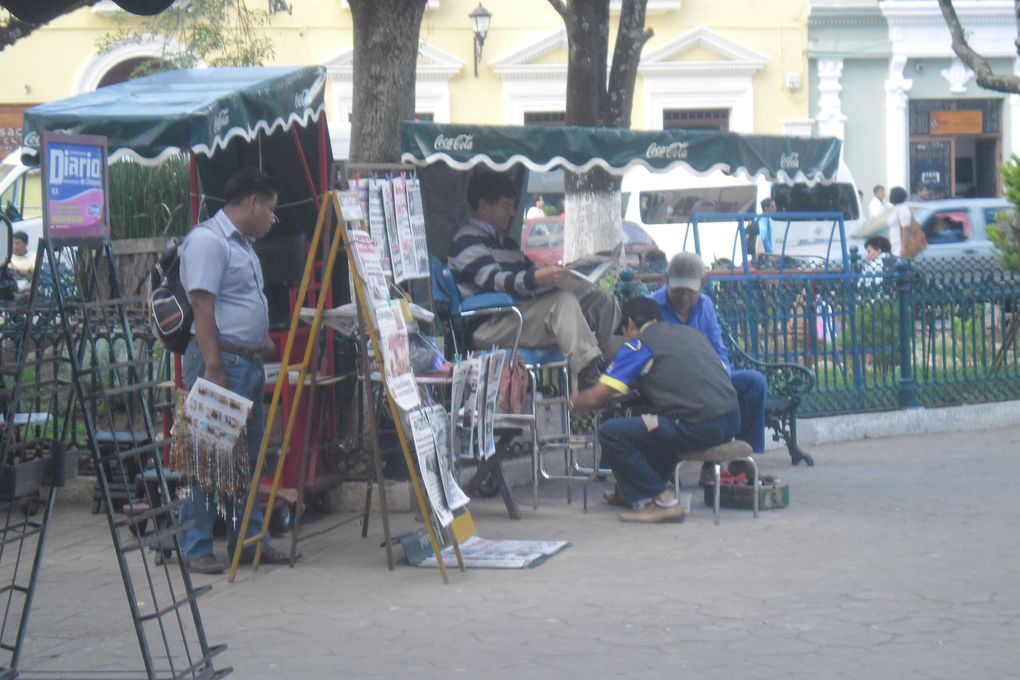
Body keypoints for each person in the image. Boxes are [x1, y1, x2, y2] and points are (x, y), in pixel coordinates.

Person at [178, 168, 291, 574]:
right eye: (272, 210)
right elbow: (202, 307)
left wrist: (257, 340)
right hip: (220, 363)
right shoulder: (209, 241)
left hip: (246, 362)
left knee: (248, 459)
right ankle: (196, 547)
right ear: (253, 202)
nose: (273, 220)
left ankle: (248, 541)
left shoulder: (243, 245)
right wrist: (213, 366)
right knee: (208, 458)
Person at [570, 297, 740, 523]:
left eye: (623, 333)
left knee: (612, 432)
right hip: (731, 420)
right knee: (654, 427)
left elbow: (594, 398)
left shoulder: (639, 345)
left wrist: (572, 403)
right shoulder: (689, 334)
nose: (624, 339)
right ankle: (629, 493)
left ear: (630, 324)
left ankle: (664, 502)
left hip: (698, 425)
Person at [447, 172, 619, 388]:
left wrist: (562, 274)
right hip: (493, 324)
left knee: (601, 301)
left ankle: (619, 372)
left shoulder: (507, 244)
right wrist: (538, 278)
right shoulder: (466, 240)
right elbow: (497, 281)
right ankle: (590, 378)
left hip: (522, 315)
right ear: (483, 205)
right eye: (506, 205)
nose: (511, 212)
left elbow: (527, 273)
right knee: (562, 302)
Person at [650, 253, 767, 483]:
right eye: (678, 291)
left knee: (755, 383)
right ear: (666, 281)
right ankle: (690, 464)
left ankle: (741, 460)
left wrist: (721, 374)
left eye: (690, 292)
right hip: (676, 385)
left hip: (711, 378)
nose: (684, 297)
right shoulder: (653, 306)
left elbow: (718, 349)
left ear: (702, 285)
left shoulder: (705, 306)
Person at [886, 186, 909, 258]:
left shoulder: (903, 209)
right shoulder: (896, 208)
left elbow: (905, 228)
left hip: (899, 247)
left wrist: (903, 247)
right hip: (894, 245)